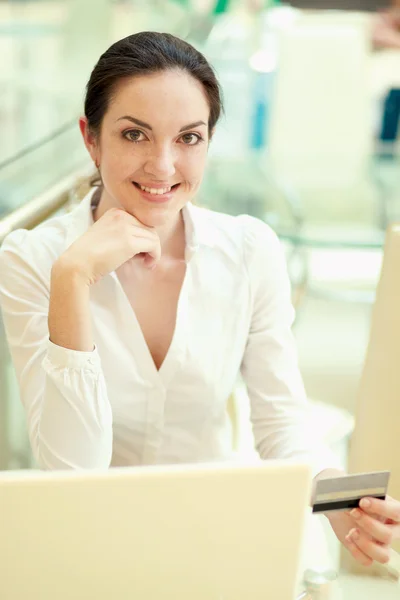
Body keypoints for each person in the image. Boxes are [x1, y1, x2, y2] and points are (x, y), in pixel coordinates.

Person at [0, 31, 399, 567]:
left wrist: (340, 502)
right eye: (135, 135)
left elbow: (281, 425)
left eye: (188, 138)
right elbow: (74, 472)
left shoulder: (249, 249)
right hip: (91, 548)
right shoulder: (33, 259)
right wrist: (73, 278)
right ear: (90, 140)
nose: (163, 167)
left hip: (216, 533)